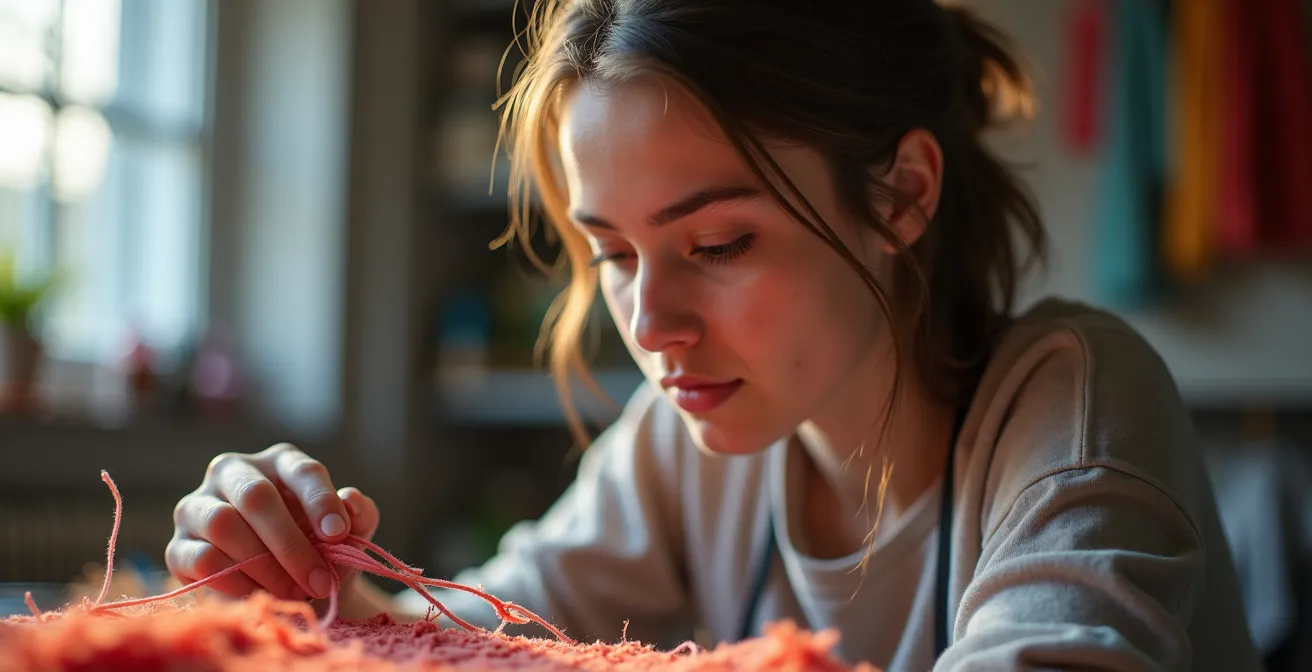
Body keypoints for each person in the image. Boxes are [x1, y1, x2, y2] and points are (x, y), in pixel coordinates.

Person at [166, 2, 1262, 670]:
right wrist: (305, 591)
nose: (650, 326)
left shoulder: (1074, 400)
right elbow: (459, 638)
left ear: (900, 195)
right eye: (615, 253)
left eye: (720, 242)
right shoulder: (681, 440)